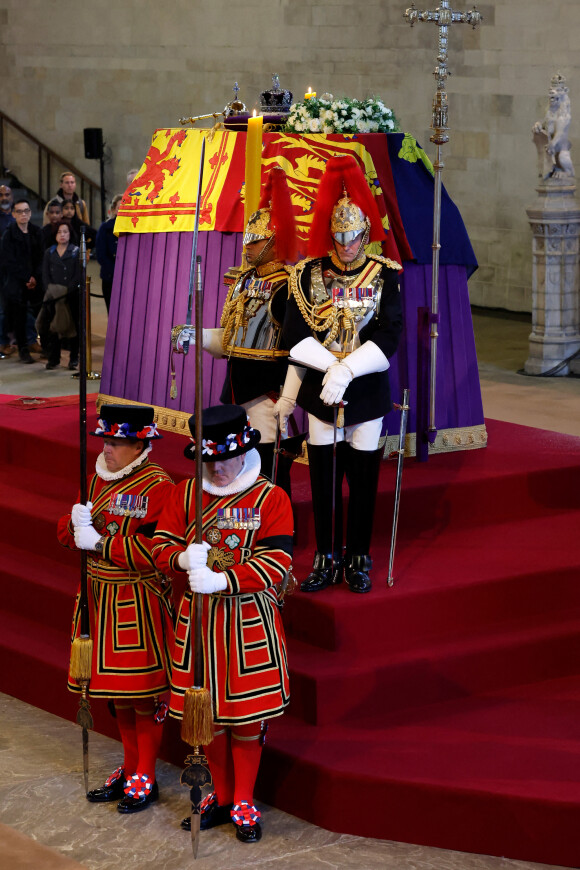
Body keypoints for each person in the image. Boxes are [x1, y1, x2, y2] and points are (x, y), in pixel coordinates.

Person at [152, 405, 293, 843]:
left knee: (247, 720)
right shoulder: (184, 493)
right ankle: (222, 794)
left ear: (244, 450)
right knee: (206, 717)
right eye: (208, 461)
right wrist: (178, 557)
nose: (217, 469)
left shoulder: (271, 497)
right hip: (197, 625)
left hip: (248, 622)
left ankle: (245, 801)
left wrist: (225, 578)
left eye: (225, 460)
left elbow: (279, 561)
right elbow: (160, 543)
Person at [280, 155, 403, 594]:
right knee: (324, 477)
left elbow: (390, 333)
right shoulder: (308, 274)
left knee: (364, 475)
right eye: (339, 235)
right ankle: (326, 556)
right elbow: (294, 333)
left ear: (365, 233)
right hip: (320, 384)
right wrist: (330, 367)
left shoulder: (385, 275)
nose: (346, 243)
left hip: (365, 386)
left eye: (353, 236)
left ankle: (358, 555)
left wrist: (349, 368)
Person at [57, 404, 175, 814]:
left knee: (142, 696)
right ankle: (129, 767)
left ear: (141, 444)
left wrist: (101, 543)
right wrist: (75, 524)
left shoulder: (157, 486)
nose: (108, 450)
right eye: (106, 441)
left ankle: (146, 773)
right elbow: (64, 531)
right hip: (96, 599)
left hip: (135, 602)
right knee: (117, 696)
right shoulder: (94, 479)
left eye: (117, 443)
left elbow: (156, 550)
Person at [183, 166, 301, 496]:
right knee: (236, 467)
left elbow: (299, 349)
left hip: (268, 393)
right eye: (247, 239)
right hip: (236, 391)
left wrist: (288, 397)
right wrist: (197, 335)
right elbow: (233, 341)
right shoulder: (244, 280)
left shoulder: (288, 287)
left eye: (256, 240)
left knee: (270, 471)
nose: (247, 246)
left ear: (275, 241)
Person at [0, 198, 43, 363]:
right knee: (19, 316)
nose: (23, 214)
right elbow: (8, 261)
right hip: (17, 282)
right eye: (19, 211)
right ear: (13, 214)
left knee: (38, 312)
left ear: (30, 213)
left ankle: (37, 342)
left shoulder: (36, 232)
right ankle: (23, 349)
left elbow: (40, 257)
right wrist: (26, 277)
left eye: (26, 211)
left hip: (35, 281)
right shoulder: (9, 234)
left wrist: (35, 277)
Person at [38, 221, 80, 370]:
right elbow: (45, 274)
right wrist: (51, 289)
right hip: (53, 296)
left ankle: (74, 357)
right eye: (59, 232)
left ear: (70, 234)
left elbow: (78, 274)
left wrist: (68, 290)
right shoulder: (49, 252)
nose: (62, 235)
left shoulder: (75, 252)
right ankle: (53, 357)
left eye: (65, 232)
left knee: (73, 327)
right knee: (52, 327)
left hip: (71, 296)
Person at [95, 194, 122, 311]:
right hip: (110, 277)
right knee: (112, 312)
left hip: (130, 279)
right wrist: (116, 271)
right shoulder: (105, 228)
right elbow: (101, 255)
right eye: (120, 207)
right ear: (114, 209)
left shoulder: (135, 229)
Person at [0, 184, 15, 357]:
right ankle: (2, 341)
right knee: (2, 308)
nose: (4, 198)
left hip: (14, 269)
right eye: (1, 195)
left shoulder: (15, 217)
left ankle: (23, 339)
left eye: (7, 194)